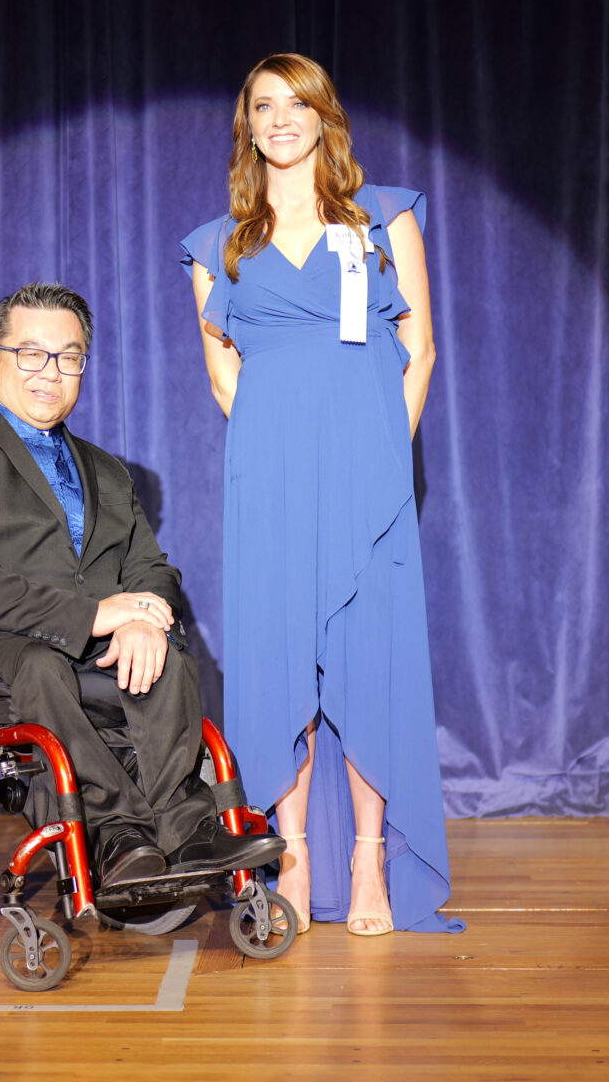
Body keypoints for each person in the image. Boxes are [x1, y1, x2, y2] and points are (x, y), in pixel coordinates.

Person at [179, 53, 459, 936]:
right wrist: (273, 450)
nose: (281, 118)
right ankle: (290, 854)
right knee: (276, 661)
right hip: (270, 478)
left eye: (297, 103)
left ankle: (368, 860)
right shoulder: (219, 241)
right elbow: (224, 377)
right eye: (265, 106)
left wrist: (384, 454)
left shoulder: (384, 215)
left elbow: (421, 351)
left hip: (368, 474)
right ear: (248, 125)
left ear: (324, 116)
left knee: (370, 657)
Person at [0, 281, 285, 886]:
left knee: (171, 660)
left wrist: (145, 618)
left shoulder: (106, 469)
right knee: (41, 665)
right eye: (31, 353)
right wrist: (95, 618)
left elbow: (152, 567)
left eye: (69, 357)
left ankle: (186, 831)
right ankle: (112, 832)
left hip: (84, 648)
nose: (50, 372)